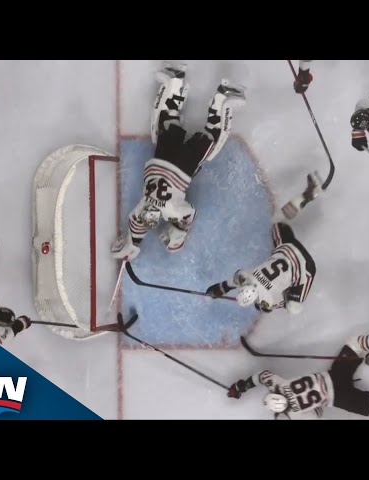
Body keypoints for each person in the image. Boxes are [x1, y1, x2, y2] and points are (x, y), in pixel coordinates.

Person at [111, 61, 246, 261]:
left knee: (212, 141)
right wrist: (132, 246)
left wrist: (177, 235)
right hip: (161, 160)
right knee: (166, 125)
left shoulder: (171, 211)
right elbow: (136, 228)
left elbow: (189, 214)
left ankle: (223, 98)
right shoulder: (142, 208)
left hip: (184, 167)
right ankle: (174, 80)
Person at [227, 318, 369, 420]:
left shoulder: (294, 416)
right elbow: (261, 376)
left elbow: (318, 414)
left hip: (338, 398)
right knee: (354, 345)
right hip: (335, 376)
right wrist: (241, 386)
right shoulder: (278, 384)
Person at [205, 170, 323, 313]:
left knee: (293, 307)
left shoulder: (266, 299)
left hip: (305, 268)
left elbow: (270, 305)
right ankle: (309, 194)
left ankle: (310, 193)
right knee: (278, 220)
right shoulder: (246, 277)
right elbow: (234, 281)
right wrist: (220, 288)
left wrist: (266, 305)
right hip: (289, 249)